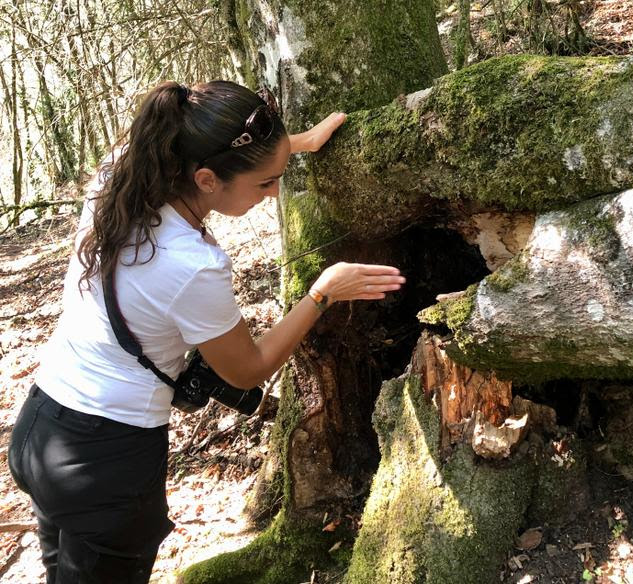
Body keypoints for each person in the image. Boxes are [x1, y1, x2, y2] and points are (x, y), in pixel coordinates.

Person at [7, 80, 405, 584]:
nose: (275, 191)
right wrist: (321, 293)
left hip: (41, 428)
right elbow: (248, 370)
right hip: (105, 461)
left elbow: (192, 141)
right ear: (207, 178)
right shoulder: (191, 265)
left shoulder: (118, 176)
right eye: (265, 182)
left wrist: (293, 143)